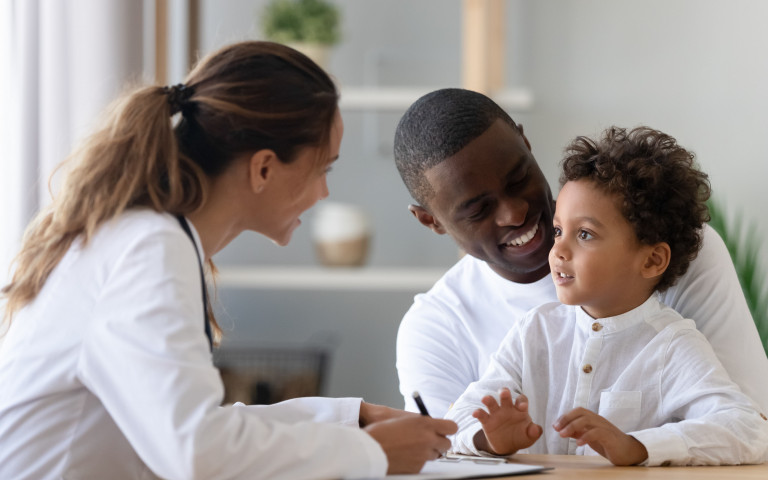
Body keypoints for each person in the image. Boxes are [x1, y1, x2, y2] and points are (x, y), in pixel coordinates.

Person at [0, 41, 456, 480]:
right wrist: (371, 452)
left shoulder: (142, 236)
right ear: (263, 168)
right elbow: (196, 451)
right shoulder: (148, 248)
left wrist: (347, 419)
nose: (324, 193)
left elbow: (192, 424)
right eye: (323, 168)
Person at [393, 88, 768, 419]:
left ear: (527, 145)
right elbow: (447, 456)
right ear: (431, 221)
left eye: (518, 179)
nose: (515, 213)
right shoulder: (436, 328)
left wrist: (633, 447)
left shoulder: (674, 244)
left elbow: (750, 426)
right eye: (478, 210)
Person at [445, 126, 768, 466]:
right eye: (558, 230)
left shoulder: (673, 345)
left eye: (584, 234)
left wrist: (636, 446)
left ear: (651, 260)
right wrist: (489, 438)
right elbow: (456, 422)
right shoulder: (534, 332)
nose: (558, 250)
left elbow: (750, 430)